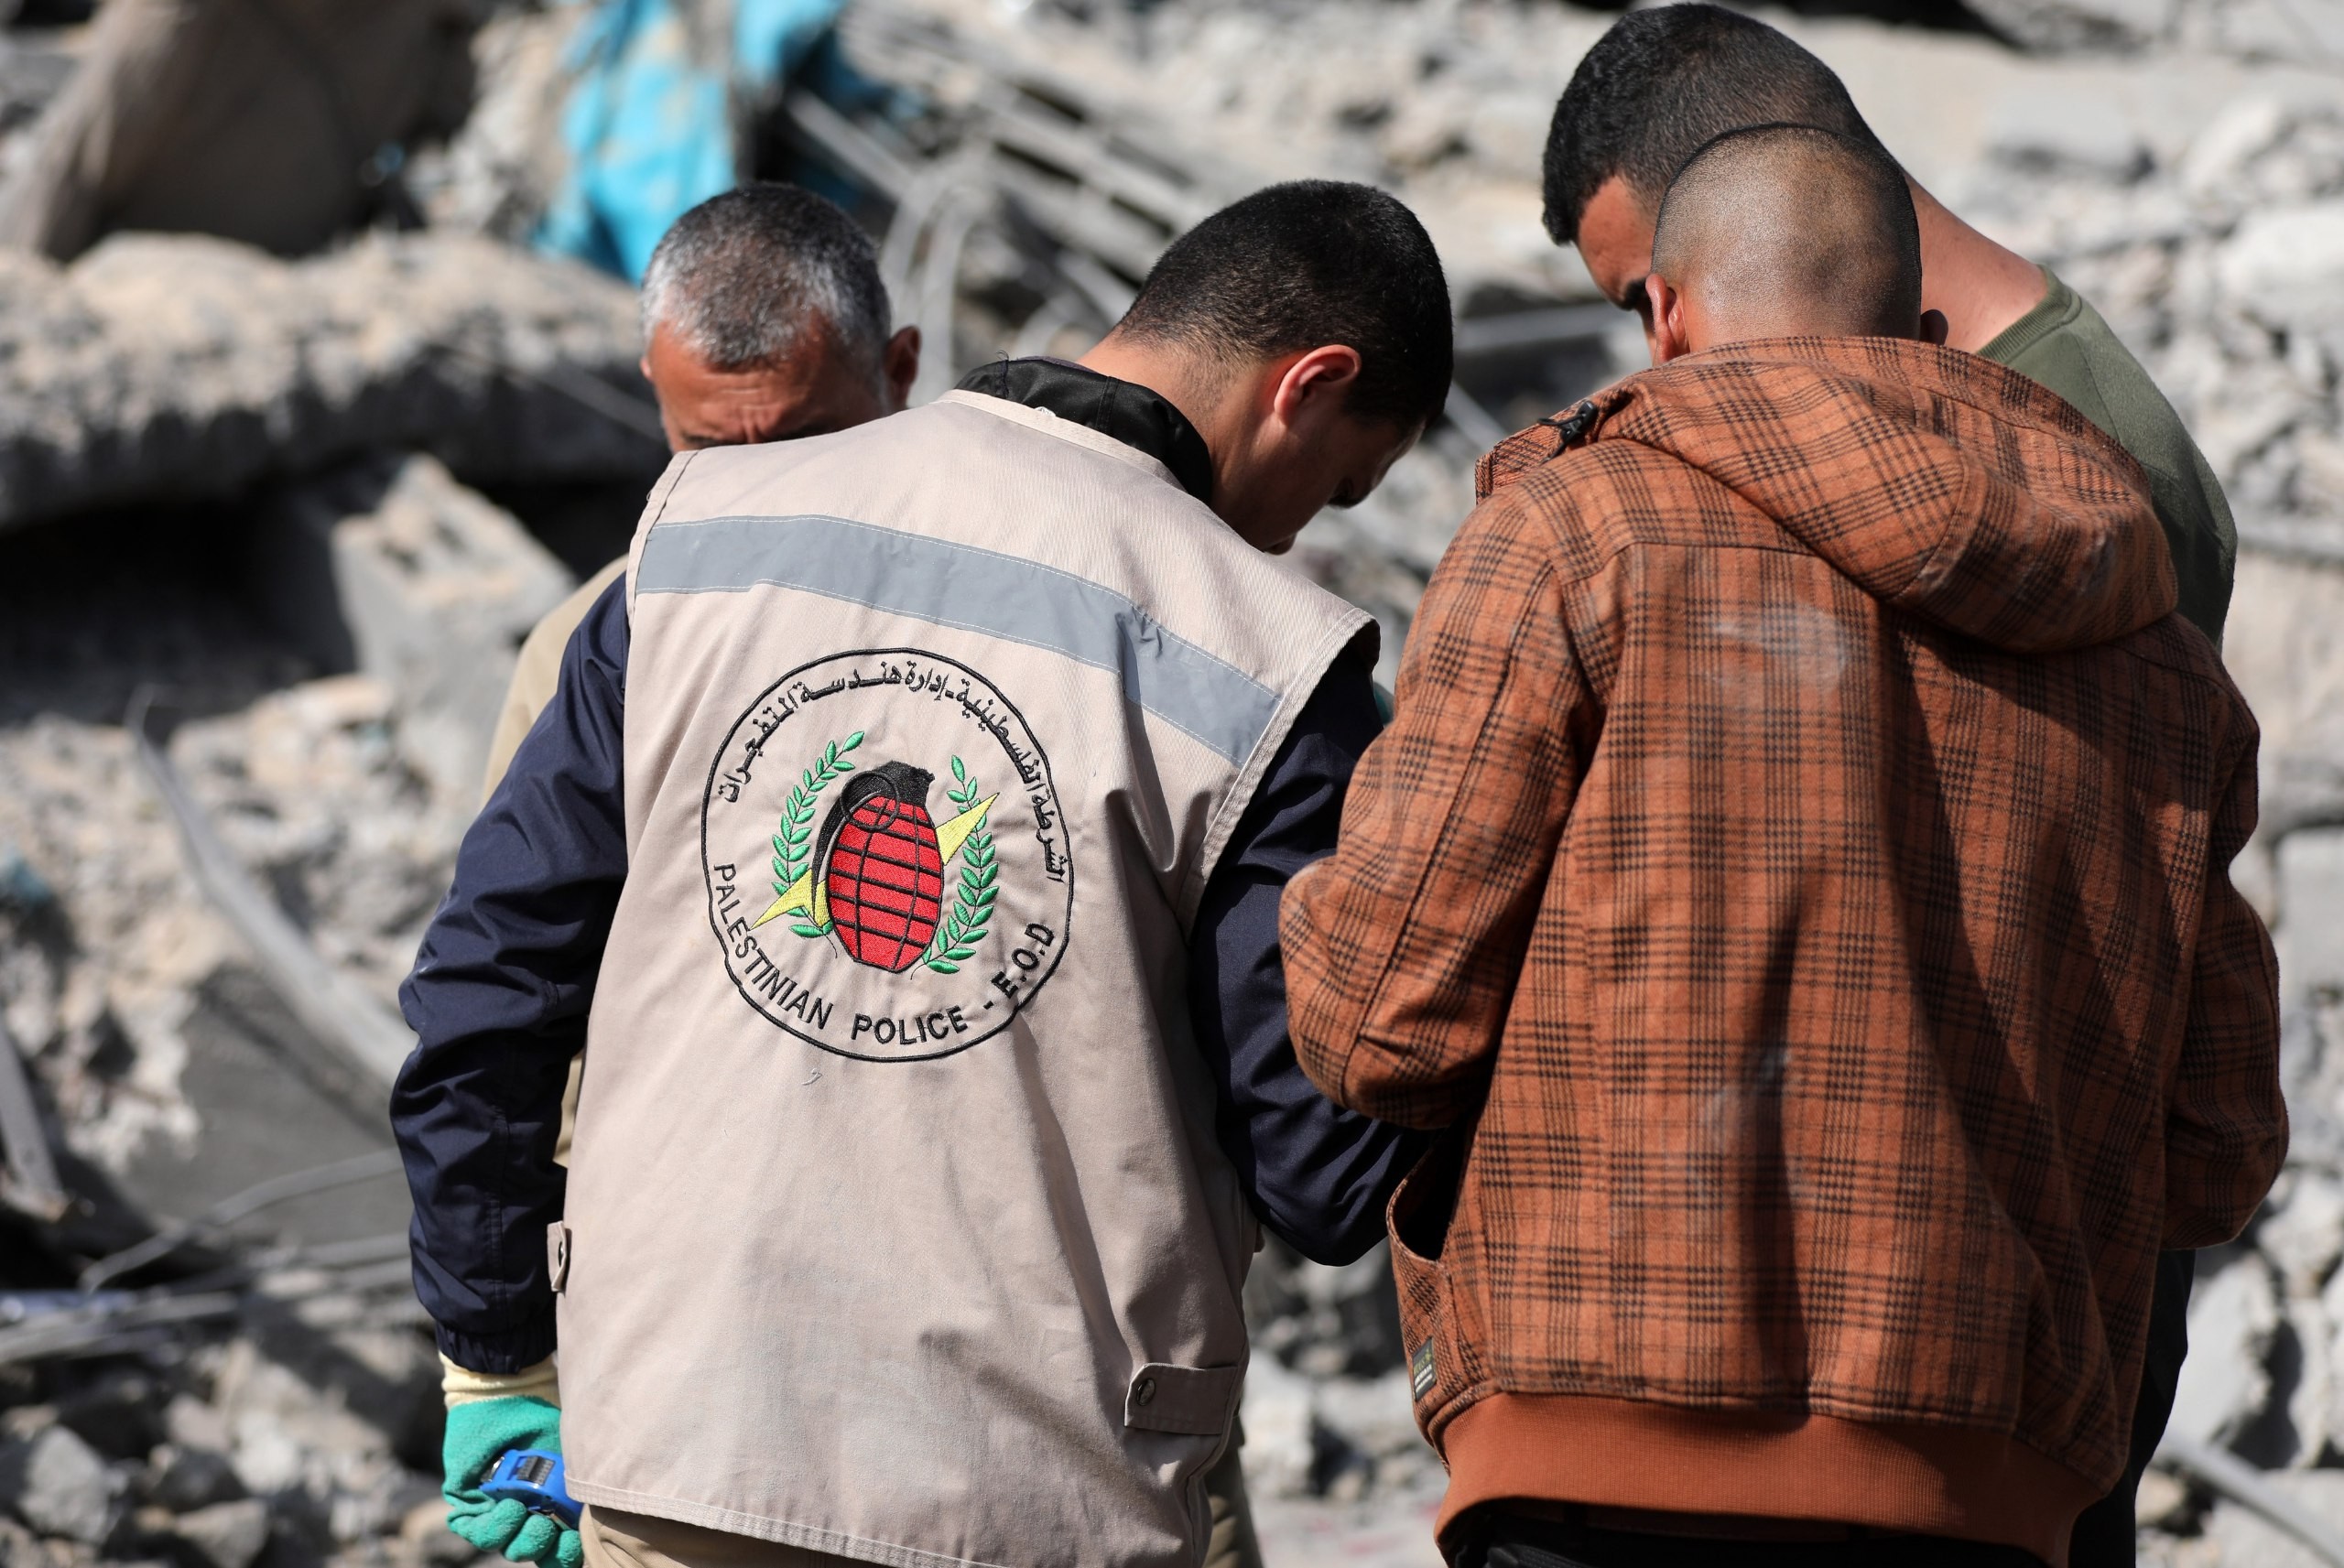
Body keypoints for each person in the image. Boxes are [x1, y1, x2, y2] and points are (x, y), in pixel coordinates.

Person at [395, 178, 1449, 1568]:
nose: (1304, 527)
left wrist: (491, 1355)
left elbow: (488, 987)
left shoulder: (688, 546)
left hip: (679, 1455)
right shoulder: (1271, 665)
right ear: (1310, 389)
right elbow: (1320, 1173)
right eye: (1344, 481)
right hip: (1042, 1490)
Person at [1282, 124, 2284, 1565]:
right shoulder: (2165, 666)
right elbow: (2217, 1157)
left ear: (1667, 315)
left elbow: (1383, 1024)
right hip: (1979, 1504)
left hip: (1589, 1462)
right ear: (1923, 339)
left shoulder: (1570, 534)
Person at [1538, 12, 2237, 1551]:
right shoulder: (2005, 437)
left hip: (1988, 1350)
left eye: (1654, 298)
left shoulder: (2073, 462)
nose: (1659, 353)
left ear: (1767, 203)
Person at [480, 183, 921, 795]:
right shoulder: (593, 655)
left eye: (803, 445)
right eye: (712, 451)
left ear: (898, 373)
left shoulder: (1014, 598)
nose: (760, 503)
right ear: (658, 391)